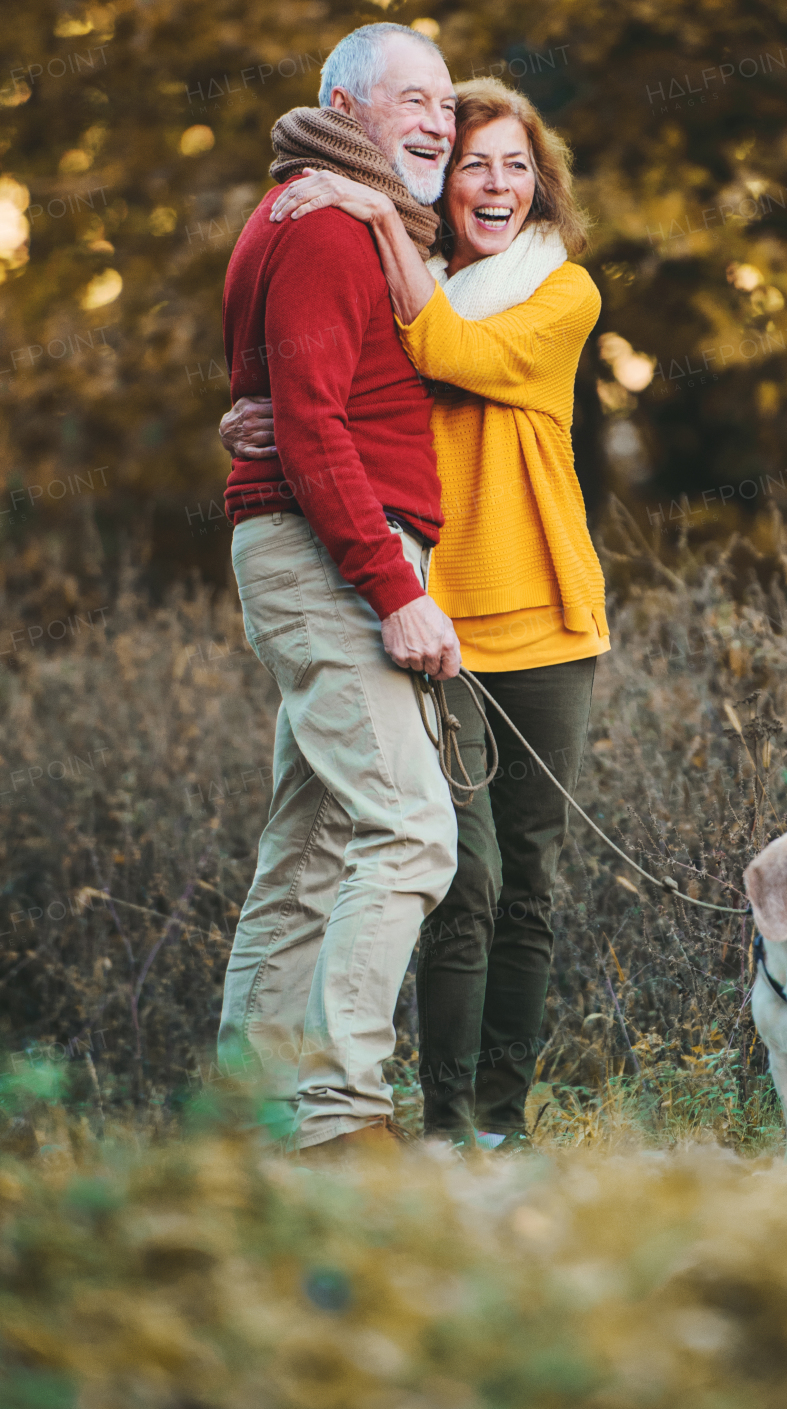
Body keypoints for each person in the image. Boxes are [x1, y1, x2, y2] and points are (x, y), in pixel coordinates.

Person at [222, 67, 608, 1148]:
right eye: (471, 164)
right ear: (442, 189)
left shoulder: (556, 291)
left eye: (515, 167)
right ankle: (432, 1124)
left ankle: (497, 1123)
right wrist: (264, 414)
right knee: (453, 870)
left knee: (523, 879)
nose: (493, 184)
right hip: (430, 608)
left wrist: (365, 210)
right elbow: (340, 403)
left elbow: (459, 355)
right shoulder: (404, 276)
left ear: (544, 187)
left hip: (539, 609)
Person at [218, 21, 463, 1157]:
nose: (436, 121)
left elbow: (305, 401)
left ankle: (250, 1116)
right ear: (345, 104)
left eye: (446, 106)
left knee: (312, 848)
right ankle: (341, 1120)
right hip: (333, 557)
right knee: (412, 832)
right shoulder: (323, 224)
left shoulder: (334, 220)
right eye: (410, 98)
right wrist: (392, 587)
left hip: (323, 546)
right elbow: (310, 425)